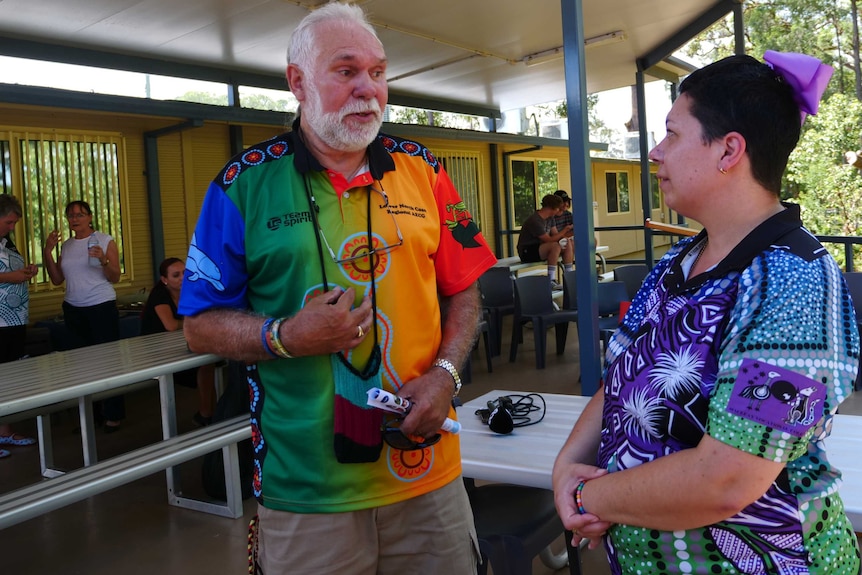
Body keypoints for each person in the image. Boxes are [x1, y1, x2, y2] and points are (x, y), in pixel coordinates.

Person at [178, 3, 496, 573]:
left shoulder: (423, 169)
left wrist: (446, 376)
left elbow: (465, 288)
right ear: (297, 82)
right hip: (305, 492)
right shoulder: (242, 184)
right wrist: (285, 336)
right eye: (346, 71)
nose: (368, 91)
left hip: (427, 477)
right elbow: (198, 326)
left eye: (378, 72)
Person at [552, 51, 861, 575]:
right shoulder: (679, 262)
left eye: (672, 133)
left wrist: (588, 496)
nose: (655, 152)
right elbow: (621, 375)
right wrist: (566, 465)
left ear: (728, 151)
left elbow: (728, 480)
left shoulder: (795, 285)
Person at [42, 200, 125, 432]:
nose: (75, 219)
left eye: (80, 214)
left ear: (90, 217)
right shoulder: (67, 246)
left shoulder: (105, 240)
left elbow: (115, 277)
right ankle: (90, 414)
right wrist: (47, 251)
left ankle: (113, 413)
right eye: (70, 215)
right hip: (73, 308)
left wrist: (103, 260)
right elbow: (57, 279)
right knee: (80, 364)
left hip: (100, 306)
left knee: (108, 360)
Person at [140, 257, 216, 427]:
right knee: (205, 364)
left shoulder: (191, 289)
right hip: (155, 350)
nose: (183, 277)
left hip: (178, 343)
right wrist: (195, 323)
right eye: (176, 275)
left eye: (185, 273)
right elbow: (171, 325)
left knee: (209, 361)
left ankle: (210, 412)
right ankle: (207, 413)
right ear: (164, 280)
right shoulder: (159, 294)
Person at [0, 194, 38, 458]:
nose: (12, 227)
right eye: (9, 222)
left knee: (8, 378)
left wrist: (25, 273)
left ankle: (4, 431)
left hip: (13, 320)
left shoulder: (6, 244)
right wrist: (8, 276)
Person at [517, 193, 574, 288]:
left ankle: (569, 275)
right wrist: (565, 230)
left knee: (567, 244)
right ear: (551, 208)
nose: (559, 211)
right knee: (555, 246)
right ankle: (550, 279)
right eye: (558, 208)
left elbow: (555, 235)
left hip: (541, 248)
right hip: (527, 251)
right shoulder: (535, 220)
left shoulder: (550, 218)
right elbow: (548, 239)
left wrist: (566, 237)